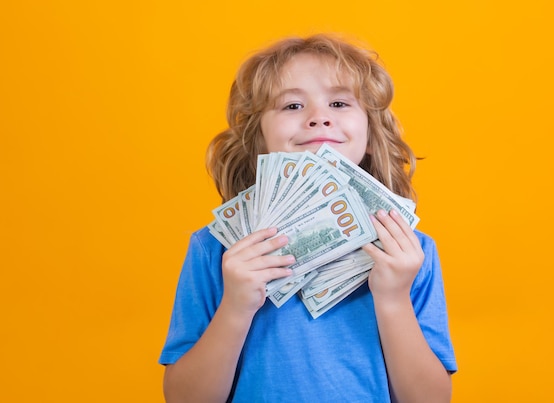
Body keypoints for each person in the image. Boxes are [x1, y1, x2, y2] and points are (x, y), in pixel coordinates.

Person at [159, 33, 457, 403]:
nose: (319, 118)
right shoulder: (215, 250)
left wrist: (394, 297)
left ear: (369, 132)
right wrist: (236, 306)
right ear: (259, 137)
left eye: (338, 102)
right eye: (292, 106)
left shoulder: (411, 253)